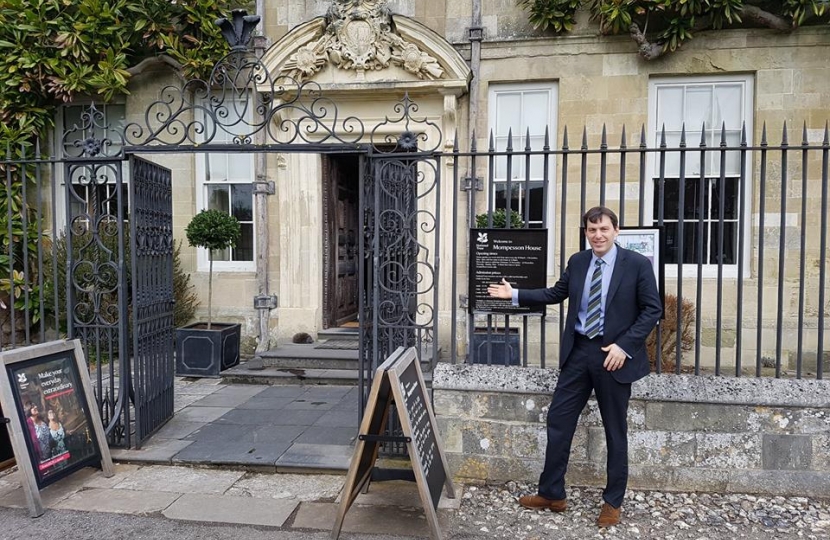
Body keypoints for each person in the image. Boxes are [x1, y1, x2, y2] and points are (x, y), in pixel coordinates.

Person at [487, 205, 662, 528]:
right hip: (579, 352)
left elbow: (652, 310)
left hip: (613, 356)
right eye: (591, 230)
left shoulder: (636, 264)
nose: (597, 235)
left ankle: (612, 502)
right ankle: (552, 493)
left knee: (615, 430)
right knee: (558, 420)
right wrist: (515, 294)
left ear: (616, 231)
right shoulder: (578, 261)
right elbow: (556, 292)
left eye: (603, 229)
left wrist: (625, 346)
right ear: (586, 233)